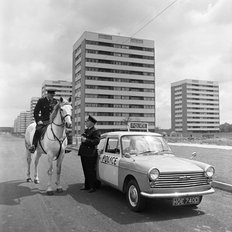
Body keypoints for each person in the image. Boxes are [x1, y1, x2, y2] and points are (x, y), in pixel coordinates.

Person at [29, 89, 57, 153]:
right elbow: (36, 112)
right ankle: (34, 145)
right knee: (38, 129)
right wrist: (38, 120)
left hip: (53, 121)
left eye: (53, 95)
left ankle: (63, 146)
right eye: (51, 95)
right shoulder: (41, 101)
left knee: (61, 129)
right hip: (44, 121)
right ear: (47, 94)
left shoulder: (55, 102)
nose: (52, 96)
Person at [78, 115, 100, 193]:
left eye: (87, 121)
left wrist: (86, 140)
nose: (86, 122)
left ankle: (92, 187)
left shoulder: (95, 131)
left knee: (90, 170)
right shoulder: (87, 130)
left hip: (90, 154)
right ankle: (87, 185)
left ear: (91, 123)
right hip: (84, 153)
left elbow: (96, 141)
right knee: (85, 170)